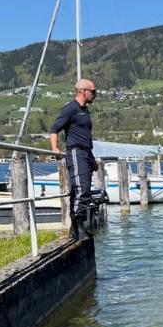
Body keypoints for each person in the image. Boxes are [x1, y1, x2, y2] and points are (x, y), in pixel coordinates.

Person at [49, 78, 98, 240]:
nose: (95, 95)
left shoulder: (85, 111)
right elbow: (54, 128)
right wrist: (54, 148)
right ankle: (78, 226)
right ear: (83, 91)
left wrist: (92, 159)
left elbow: (86, 137)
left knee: (82, 191)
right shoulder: (70, 109)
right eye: (93, 92)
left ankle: (75, 228)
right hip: (76, 153)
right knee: (81, 189)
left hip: (86, 154)